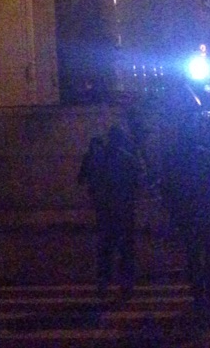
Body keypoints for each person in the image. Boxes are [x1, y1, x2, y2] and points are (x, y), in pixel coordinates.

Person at [160, 115, 210, 326]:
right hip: (205, 213)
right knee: (209, 254)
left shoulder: (172, 158)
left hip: (186, 215)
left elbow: (167, 188)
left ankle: (199, 295)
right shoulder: (206, 156)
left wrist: (172, 212)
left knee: (193, 256)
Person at [78, 125, 143, 302]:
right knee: (125, 249)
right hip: (123, 210)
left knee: (105, 248)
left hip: (104, 210)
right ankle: (125, 285)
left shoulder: (98, 159)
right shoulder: (128, 158)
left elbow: (83, 178)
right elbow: (139, 182)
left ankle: (103, 283)